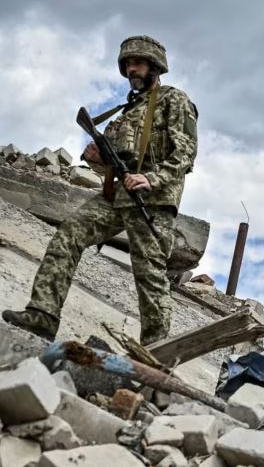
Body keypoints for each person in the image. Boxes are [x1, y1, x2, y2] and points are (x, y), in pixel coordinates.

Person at [2, 35, 198, 346]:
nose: (131, 69)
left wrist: (152, 179)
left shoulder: (174, 100)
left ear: (155, 66)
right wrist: (97, 161)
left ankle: (157, 353)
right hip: (118, 197)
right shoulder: (127, 112)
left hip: (154, 201)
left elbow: (186, 154)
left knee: (149, 275)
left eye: (137, 63)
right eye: (127, 65)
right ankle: (43, 315)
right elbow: (117, 165)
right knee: (68, 235)